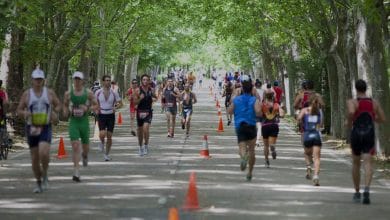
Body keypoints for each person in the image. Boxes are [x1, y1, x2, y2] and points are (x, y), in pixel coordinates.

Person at [17, 68, 61, 192]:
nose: (38, 82)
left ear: (43, 80)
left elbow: (58, 104)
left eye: (40, 79)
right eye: (36, 79)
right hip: (31, 128)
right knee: (35, 158)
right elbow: (19, 110)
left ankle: (45, 173)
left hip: (45, 127)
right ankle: (38, 182)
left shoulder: (49, 93)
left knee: (44, 152)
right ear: (32, 80)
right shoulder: (27, 94)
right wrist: (25, 113)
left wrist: (54, 112)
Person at [346, 79, 385, 204]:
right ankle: (367, 189)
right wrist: (373, 117)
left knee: (356, 163)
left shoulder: (352, 102)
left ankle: (357, 192)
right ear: (366, 88)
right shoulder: (374, 102)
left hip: (356, 133)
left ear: (356, 89)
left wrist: (349, 121)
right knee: (368, 162)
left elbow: (352, 113)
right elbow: (382, 118)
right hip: (369, 133)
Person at [63, 71, 97, 182]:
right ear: (73, 80)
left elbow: (96, 105)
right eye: (75, 79)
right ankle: (76, 172)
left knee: (85, 147)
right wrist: (66, 112)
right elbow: (65, 105)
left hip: (84, 123)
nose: (77, 81)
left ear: (82, 81)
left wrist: (87, 108)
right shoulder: (68, 94)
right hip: (74, 122)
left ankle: (85, 156)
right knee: (75, 146)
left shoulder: (88, 93)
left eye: (79, 79)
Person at [227, 75, 262, 181]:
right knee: (252, 150)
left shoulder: (237, 99)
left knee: (242, 147)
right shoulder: (254, 99)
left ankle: (243, 157)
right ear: (251, 89)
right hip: (251, 126)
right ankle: (250, 172)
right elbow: (258, 113)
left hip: (240, 126)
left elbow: (229, 111)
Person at [95, 75, 123, 161]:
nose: (108, 82)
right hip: (102, 114)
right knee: (102, 134)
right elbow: (94, 102)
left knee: (109, 136)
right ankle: (101, 142)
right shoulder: (98, 92)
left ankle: (106, 154)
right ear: (103, 82)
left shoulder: (114, 92)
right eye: (106, 80)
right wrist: (97, 108)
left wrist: (116, 107)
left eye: (109, 80)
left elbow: (120, 103)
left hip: (111, 115)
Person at [297, 94, 323, 186]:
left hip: (307, 135)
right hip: (316, 135)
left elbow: (299, 118)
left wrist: (301, 122)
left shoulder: (305, 110)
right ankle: (316, 176)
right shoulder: (319, 111)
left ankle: (308, 166)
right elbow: (320, 124)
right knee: (317, 158)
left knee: (307, 153)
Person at [133, 74, 157, 156]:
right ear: (141, 81)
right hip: (140, 112)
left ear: (149, 81)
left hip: (148, 112)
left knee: (145, 129)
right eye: (144, 80)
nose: (145, 81)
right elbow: (134, 102)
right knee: (140, 131)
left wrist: (154, 99)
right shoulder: (137, 90)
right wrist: (140, 98)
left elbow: (156, 97)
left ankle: (146, 145)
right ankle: (140, 147)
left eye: (147, 80)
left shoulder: (151, 90)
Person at [261, 91, 285, 168]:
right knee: (272, 143)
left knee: (265, 145)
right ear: (273, 97)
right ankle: (273, 147)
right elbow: (282, 114)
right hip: (274, 125)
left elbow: (258, 113)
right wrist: (279, 115)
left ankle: (266, 161)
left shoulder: (263, 105)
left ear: (265, 97)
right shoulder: (276, 105)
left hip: (265, 126)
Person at [255, 80, 265, 147]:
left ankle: (257, 140)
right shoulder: (263, 91)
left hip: (255, 108)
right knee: (260, 125)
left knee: (258, 126)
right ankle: (259, 139)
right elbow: (264, 99)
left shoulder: (254, 91)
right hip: (262, 108)